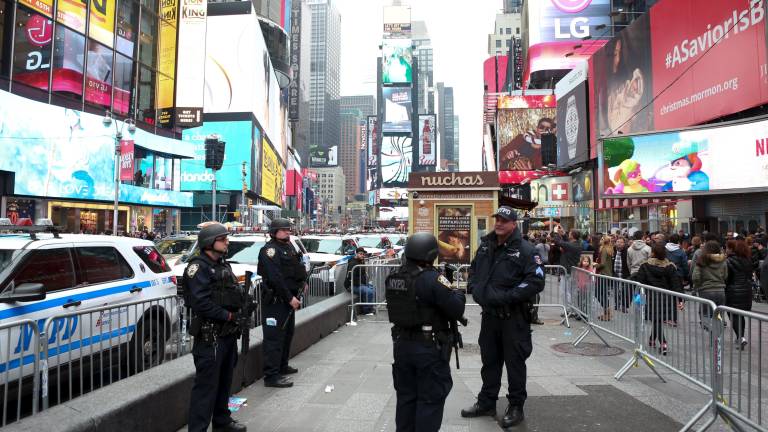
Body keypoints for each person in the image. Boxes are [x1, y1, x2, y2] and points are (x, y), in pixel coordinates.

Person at [461, 206, 545, 428]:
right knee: (490, 361)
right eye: (497, 219)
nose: (498, 223)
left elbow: (536, 281)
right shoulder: (486, 246)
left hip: (513, 318)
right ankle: (486, 402)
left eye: (504, 220)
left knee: (514, 363)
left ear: (513, 224)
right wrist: (475, 289)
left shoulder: (527, 250)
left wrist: (507, 297)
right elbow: (474, 271)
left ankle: (516, 406)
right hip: (490, 317)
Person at [387, 233, 466, 432]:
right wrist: (457, 292)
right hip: (428, 349)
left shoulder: (395, 277)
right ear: (431, 254)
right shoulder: (433, 279)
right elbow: (456, 308)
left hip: (402, 345)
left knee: (406, 398)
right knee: (430, 400)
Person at [183, 223, 247, 432]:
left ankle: (222, 422)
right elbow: (200, 302)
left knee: (224, 382)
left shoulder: (222, 264)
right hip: (210, 337)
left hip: (227, 334)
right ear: (210, 242)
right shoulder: (198, 267)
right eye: (223, 239)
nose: (227, 242)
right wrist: (228, 315)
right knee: (206, 388)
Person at [257, 218, 307, 388]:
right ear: (274, 231)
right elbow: (275, 278)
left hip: (289, 301)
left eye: (288, 229)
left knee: (287, 335)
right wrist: (289, 298)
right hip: (276, 301)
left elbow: (296, 268)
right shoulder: (269, 251)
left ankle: (282, 366)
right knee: (274, 339)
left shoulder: (289, 247)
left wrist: (303, 283)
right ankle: (271, 376)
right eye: (283, 229)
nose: (288, 232)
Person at [631, 242, 683, 356]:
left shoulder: (645, 266)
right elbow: (676, 284)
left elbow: (640, 283)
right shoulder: (670, 266)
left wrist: (638, 299)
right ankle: (651, 339)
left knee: (657, 319)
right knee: (657, 319)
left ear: (653, 253)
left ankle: (663, 342)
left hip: (651, 297)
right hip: (666, 298)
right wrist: (680, 300)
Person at [692, 240, 727, 331]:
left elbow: (695, 277)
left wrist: (698, 285)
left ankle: (711, 330)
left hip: (706, 290)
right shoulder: (723, 260)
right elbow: (726, 275)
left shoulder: (702, 260)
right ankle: (717, 333)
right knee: (719, 313)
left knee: (705, 313)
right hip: (720, 290)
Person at [725, 240, 753, 349]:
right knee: (740, 315)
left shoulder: (729, 261)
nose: (725, 250)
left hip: (733, 291)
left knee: (733, 315)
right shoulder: (748, 260)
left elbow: (727, 278)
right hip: (746, 290)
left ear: (732, 249)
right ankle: (740, 337)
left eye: (727, 248)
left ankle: (741, 337)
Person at [665, 234, 690, 326]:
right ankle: (673, 318)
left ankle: (668, 317)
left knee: (667, 296)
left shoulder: (664, 249)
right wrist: (687, 277)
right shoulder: (681, 252)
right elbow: (685, 266)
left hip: (666, 275)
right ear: (678, 242)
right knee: (675, 296)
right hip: (678, 275)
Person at [345, 247, 375, 315]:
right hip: (351, 285)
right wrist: (361, 284)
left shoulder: (361, 261)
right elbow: (351, 277)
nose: (362, 255)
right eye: (360, 254)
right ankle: (367, 311)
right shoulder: (353, 263)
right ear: (356, 254)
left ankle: (371, 307)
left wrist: (365, 283)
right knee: (369, 291)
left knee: (373, 288)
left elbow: (363, 275)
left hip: (360, 283)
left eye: (363, 254)